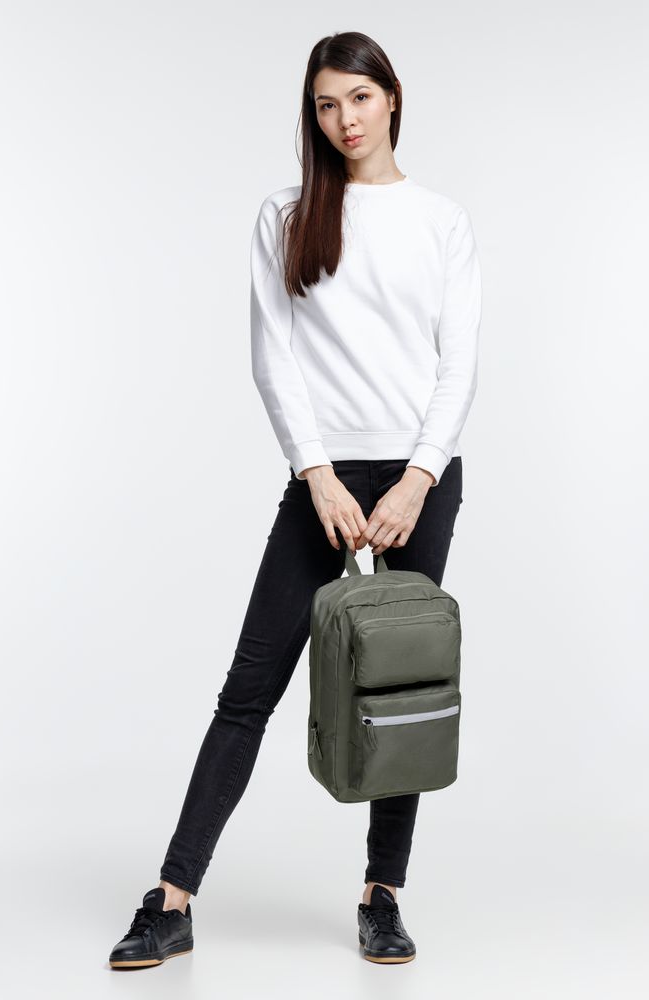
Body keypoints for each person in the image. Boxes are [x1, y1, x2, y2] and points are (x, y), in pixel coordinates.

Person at [108, 28, 481, 969]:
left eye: (358, 97)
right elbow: (271, 355)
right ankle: (171, 900)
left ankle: (382, 895)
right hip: (324, 477)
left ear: (392, 97)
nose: (344, 118)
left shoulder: (441, 221)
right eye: (325, 103)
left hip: (420, 481)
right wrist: (316, 473)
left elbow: (459, 366)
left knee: (400, 688)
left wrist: (419, 478)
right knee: (249, 691)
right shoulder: (287, 214)